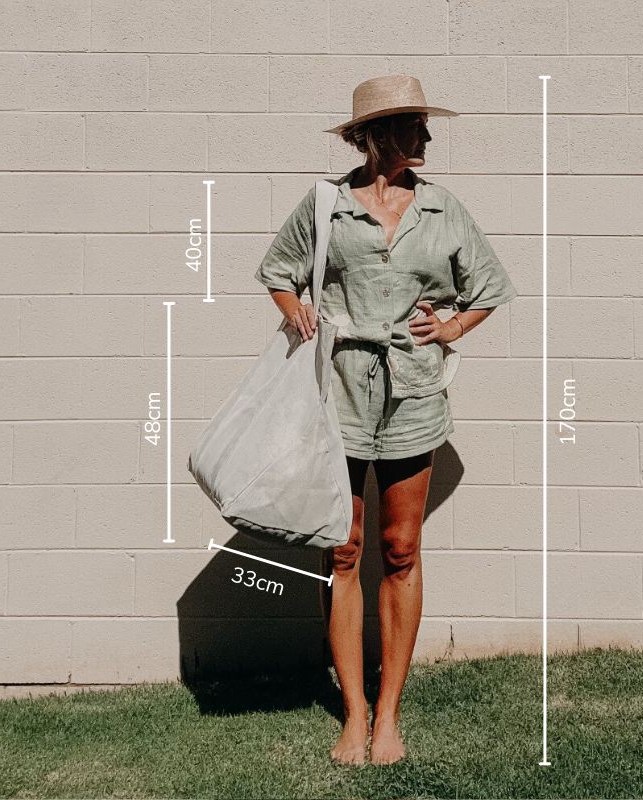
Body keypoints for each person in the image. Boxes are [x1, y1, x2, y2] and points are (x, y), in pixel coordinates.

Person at [254, 74, 517, 765]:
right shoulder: (327, 205)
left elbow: (489, 287)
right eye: (410, 125)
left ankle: (389, 715)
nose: (425, 136)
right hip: (337, 394)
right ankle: (353, 713)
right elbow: (278, 272)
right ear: (372, 136)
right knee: (342, 550)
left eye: (423, 124)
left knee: (400, 548)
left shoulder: (441, 209)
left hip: (413, 394)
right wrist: (297, 309)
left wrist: (450, 327)